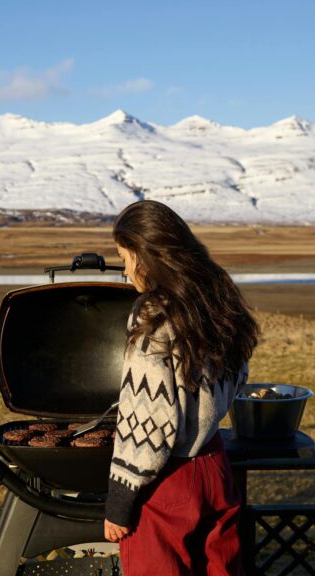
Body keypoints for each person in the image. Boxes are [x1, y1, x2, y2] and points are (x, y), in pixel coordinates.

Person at [104, 200, 259, 576]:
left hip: (167, 485)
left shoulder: (153, 314)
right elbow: (239, 374)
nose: (126, 272)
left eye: (126, 258)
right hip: (215, 466)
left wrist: (120, 501)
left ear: (147, 255)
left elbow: (149, 416)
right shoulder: (215, 296)